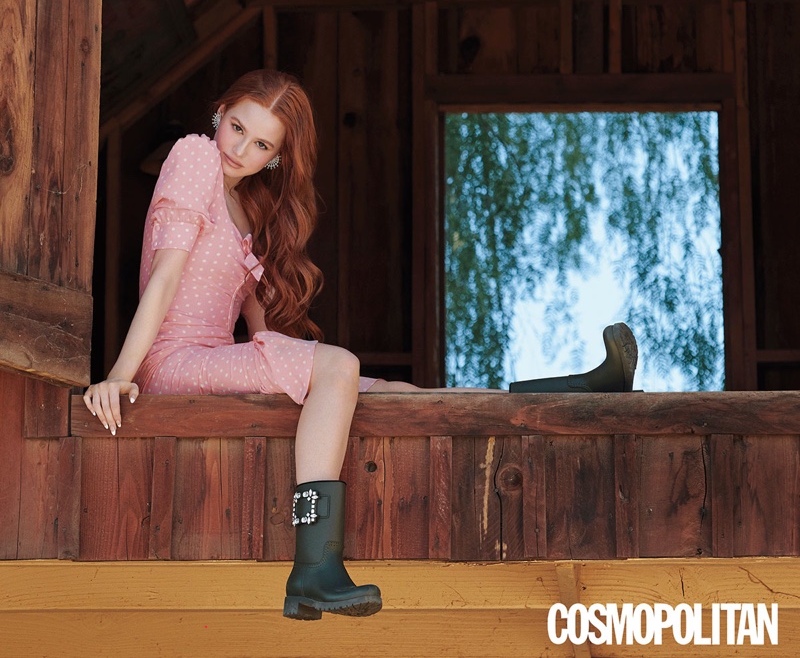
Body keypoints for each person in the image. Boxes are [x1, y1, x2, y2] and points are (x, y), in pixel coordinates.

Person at [84, 69, 638, 621]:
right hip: (173, 361)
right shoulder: (194, 156)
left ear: (275, 157)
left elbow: (259, 330)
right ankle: (314, 565)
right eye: (235, 127)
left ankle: (571, 393)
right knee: (337, 365)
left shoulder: (246, 207)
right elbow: (164, 277)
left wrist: (302, 370)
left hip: (213, 361)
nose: (240, 149)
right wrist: (120, 374)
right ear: (219, 113)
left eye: (261, 145)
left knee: (395, 393)